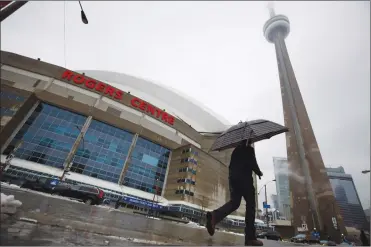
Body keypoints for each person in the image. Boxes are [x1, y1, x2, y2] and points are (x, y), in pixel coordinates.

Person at [205, 140, 264, 246]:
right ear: (248, 140)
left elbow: (231, 167)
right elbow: (252, 164)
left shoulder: (236, 150)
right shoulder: (249, 149)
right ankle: (250, 238)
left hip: (233, 179)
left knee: (234, 203)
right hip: (245, 180)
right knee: (250, 206)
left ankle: (214, 216)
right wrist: (259, 172)